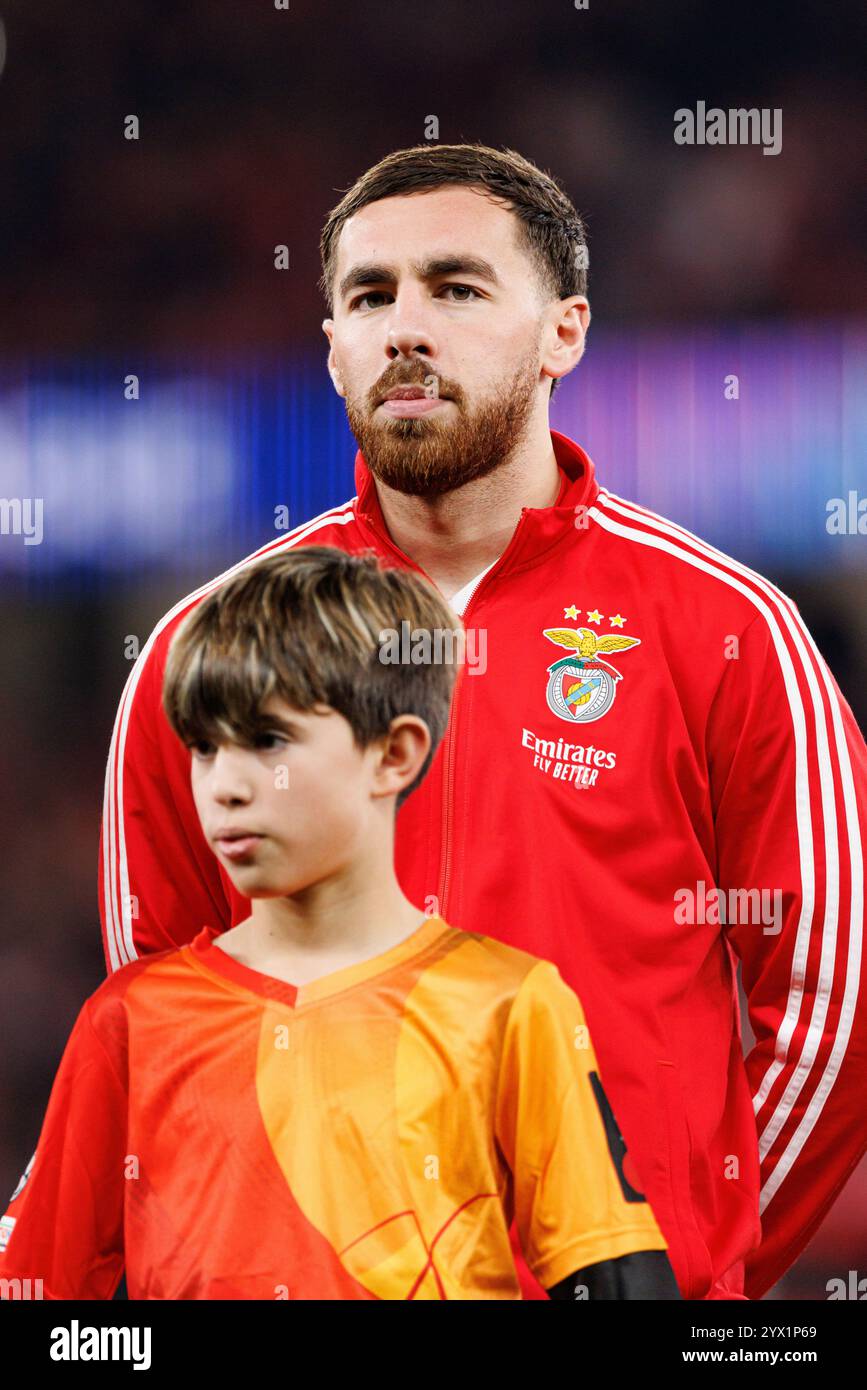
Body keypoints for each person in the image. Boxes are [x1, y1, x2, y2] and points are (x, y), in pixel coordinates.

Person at [96, 143, 867, 1301]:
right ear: (334, 351)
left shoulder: (731, 629)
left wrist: (695, 1263)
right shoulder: (203, 650)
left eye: (456, 288)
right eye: (370, 296)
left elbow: (836, 1001)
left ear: (565, 330)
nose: (407, 327)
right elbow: (164, 1021)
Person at [0, 548, 679, 1300]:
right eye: (202, 748)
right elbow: (47, 1302)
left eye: (267, 741)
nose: (223, 786)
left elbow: (619, 1281)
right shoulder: (128, 1024)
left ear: (393, 753)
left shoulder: (510, 1005)